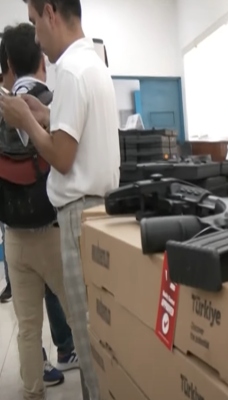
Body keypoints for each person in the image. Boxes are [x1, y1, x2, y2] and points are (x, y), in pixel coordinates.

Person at [0, 1, 120, 398]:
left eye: (35, 21)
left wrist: (25, 120)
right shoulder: (92, 63)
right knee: (98, 333)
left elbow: (62, 157)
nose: (36, 37)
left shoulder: (67, 69)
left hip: (76, 217)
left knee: (87, 339)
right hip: (99, 212)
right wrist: (46, 115)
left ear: (51, 12)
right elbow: (76, 132)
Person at [0, 23, 80, 396]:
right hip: (53, 230)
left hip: (14, 235)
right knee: (80, 316)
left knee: (28, 327)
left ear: (8, 66)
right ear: (42, 61)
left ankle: (33, 390)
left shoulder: (4, 108)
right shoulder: (54, 100)